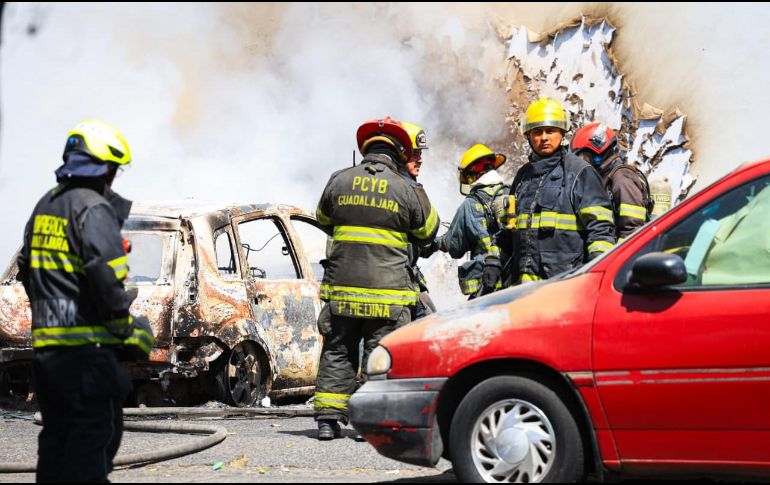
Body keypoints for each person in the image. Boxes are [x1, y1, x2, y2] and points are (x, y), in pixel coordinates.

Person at [17, 119, 155, 482]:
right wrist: (127, 329)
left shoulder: (45, 205)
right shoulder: (93, 210)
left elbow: (26, 270)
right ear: (104, 167)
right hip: (87, 355)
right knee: (92, 440)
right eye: (114, 170)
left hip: (48, 352)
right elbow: (106, 282)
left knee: (56, 440)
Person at [313, 116, 439, 440]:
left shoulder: (338, 180)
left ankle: (328, 419)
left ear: (365, 149)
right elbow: (428, 230)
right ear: (398, 153)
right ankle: (367, 423)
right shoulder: (406, 188)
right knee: (379, 355)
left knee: (338, 351)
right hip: (388, 294)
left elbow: (323, 218)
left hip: (342, 290)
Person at [507, 98, 615, 283]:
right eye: (537, 132)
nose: (544, 138)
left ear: (562, 132)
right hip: (523, 289)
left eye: (550, 131)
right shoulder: (523, 176)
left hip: (564, 286)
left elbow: (601, 230)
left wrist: (594, 278)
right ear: (528, 136)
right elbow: (512, 229)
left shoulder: (580, 173)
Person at [430, 144, 510, 298]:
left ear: (472, 175)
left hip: (486, 285)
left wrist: (433, 243)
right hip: (512, 282)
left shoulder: (470, 204)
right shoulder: (512, 193)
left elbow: (454, 245)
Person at [571, 122, 653, 242]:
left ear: (598, 153)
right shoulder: (604, 177)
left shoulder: (622, 179)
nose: (581, 163)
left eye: (584, 157)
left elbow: (632, 231)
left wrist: (618, 259)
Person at [400, 122, 435, 319]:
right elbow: (427, 232)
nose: (419, 159)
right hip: (399, 287)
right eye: (414, 153)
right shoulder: (407, 189)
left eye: (420, 153)